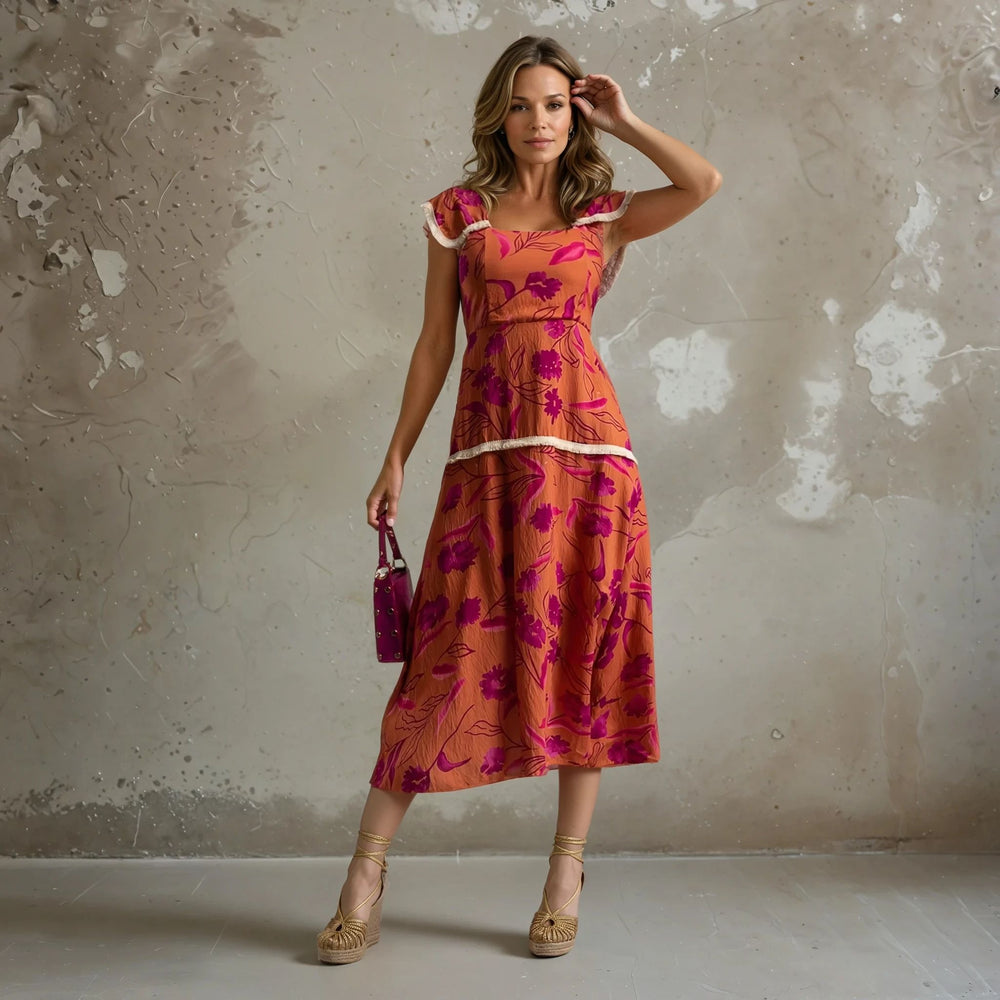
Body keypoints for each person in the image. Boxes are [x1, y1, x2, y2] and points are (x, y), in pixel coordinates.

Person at [317, 34, 721, 964]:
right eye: (523, 105)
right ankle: (364, 876)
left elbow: (702, 183)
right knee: (441, 663)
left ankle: (566, 873)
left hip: (590, 461)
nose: (539, 122)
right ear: (498, 114)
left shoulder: (603, 212)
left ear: (573, 114)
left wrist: (624, 119)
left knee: (588, 650)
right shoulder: (459, 214)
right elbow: (432, 347)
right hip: (486, 462)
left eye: (555, 104)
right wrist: (395, 458)